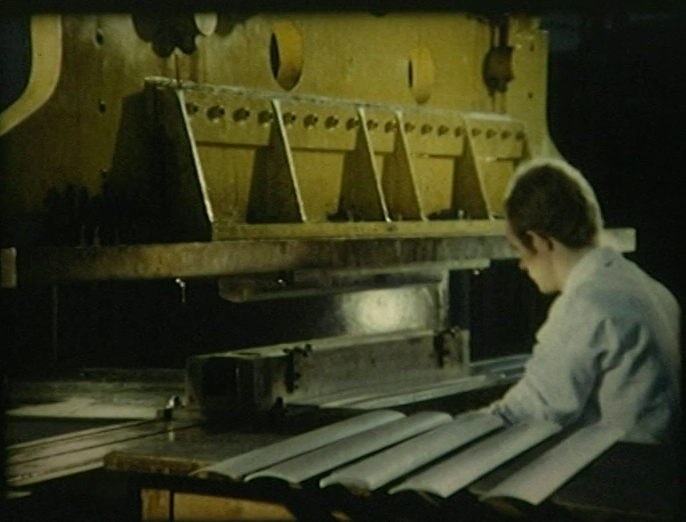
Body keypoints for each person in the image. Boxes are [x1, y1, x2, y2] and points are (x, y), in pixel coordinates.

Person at [483, 158, 681, 443]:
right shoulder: (647, 286)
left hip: (626, 464)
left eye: (518, 250)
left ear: (539, 241)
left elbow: (531, 412)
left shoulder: (587, 304)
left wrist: (457, 431)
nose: (521, 265)